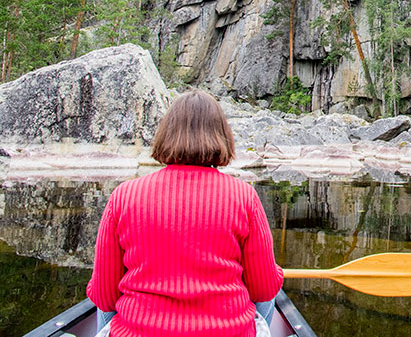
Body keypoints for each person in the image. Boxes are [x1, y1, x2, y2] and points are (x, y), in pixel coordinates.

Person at [87, 90, 284, 337]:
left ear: (166, 134)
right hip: (226, 332)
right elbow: (264, 290)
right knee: (271, 289)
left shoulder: (123, 196)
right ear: (222, 135)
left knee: (102, 300)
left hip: (139, 332)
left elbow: (104, 297)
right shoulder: (244, 197)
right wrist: (273, 272)